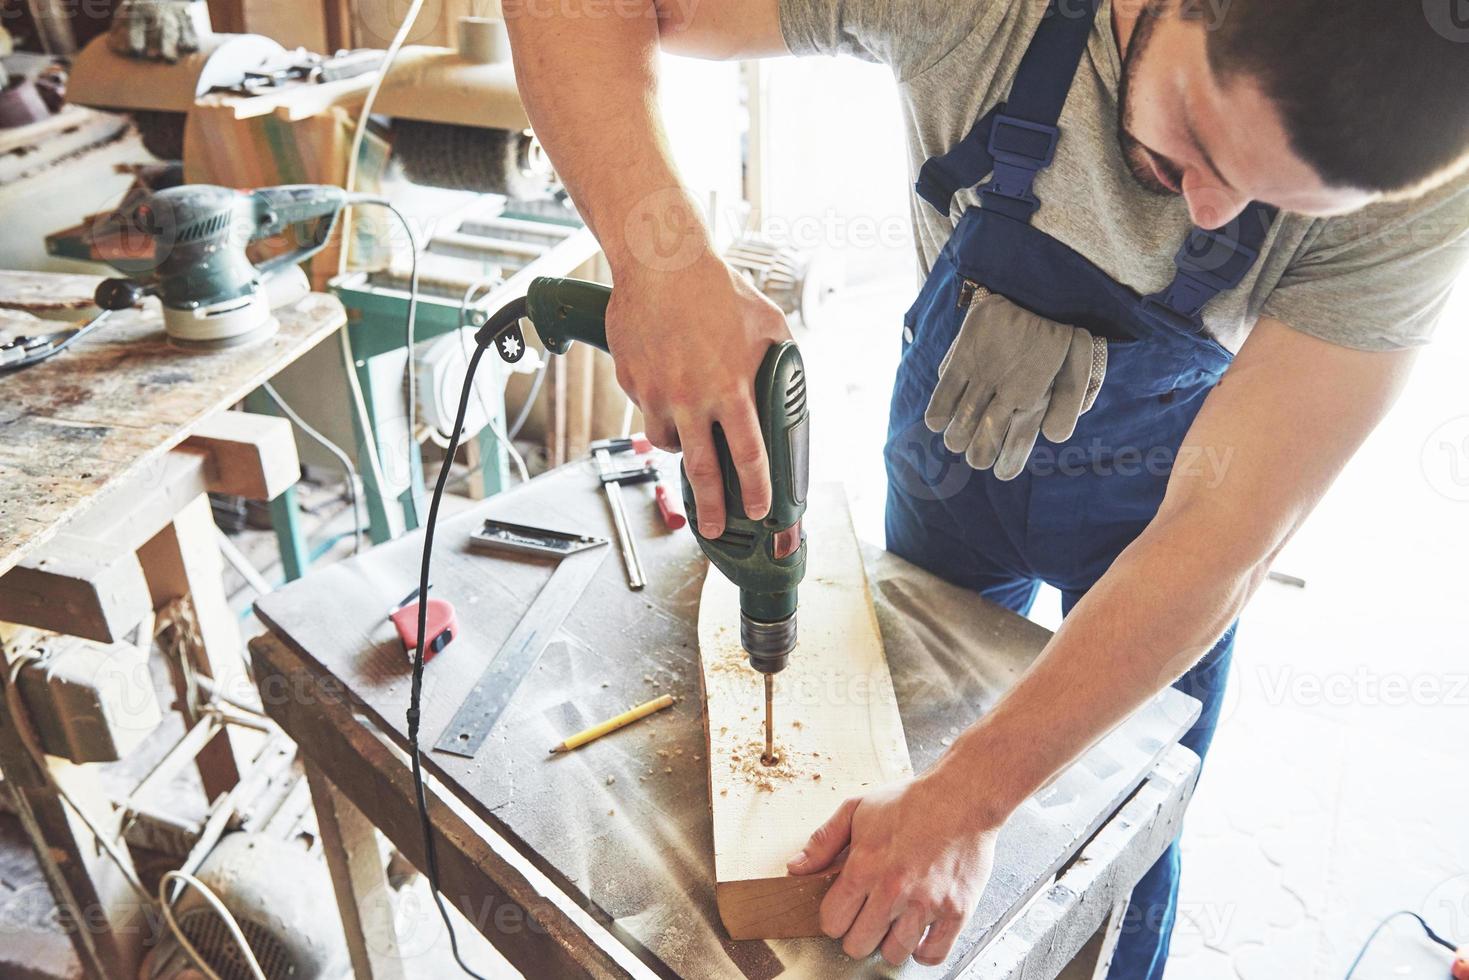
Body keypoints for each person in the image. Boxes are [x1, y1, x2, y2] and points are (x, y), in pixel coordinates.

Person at [505, 0, 1469, 974]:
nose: (1211, 211)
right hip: (948, 456)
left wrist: (969, 800)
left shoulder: (1425, 174)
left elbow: (1224, 533)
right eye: (1200, 138)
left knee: (1117, 825)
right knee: (890, 759)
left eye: (1285, 205)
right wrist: (661, 262)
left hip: (1163, 505)